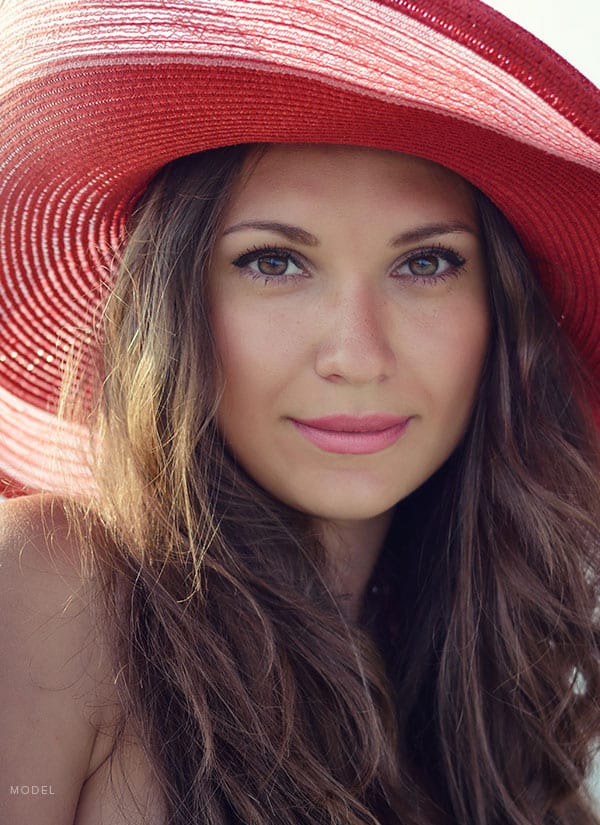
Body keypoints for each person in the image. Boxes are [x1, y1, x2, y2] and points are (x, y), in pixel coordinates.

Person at [0, 1, 599, 823]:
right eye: (273, 261)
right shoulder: (54, 592)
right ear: (175, 302)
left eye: (426, 262)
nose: (355, 353)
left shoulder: (515, 745)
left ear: (500, 312)